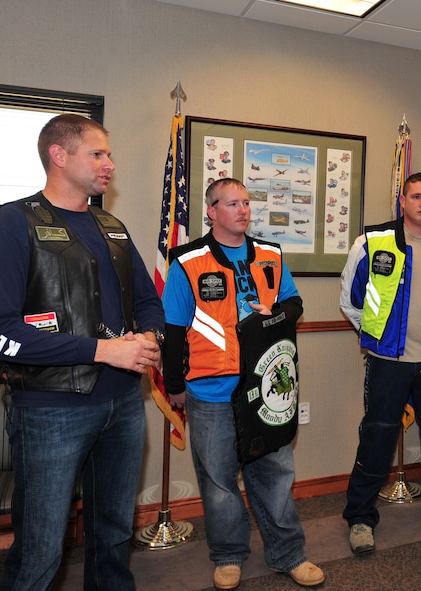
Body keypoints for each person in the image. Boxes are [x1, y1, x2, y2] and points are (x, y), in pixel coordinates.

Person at [0, 114, 165, 590]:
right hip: (50, 411)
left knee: (115, 535)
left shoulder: (111, 226)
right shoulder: (13, 223)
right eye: (98, 154)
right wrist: (102, 351)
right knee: (40, 547)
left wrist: (151, 340)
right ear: (59, 155)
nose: (110, 165)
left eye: (109, 154)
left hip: (122, 404)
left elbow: (147, 302)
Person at [160, 178, 324, 590]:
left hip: (267, 387)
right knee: (219, 483)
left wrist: (276, 313)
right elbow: (173, 330)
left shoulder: (270, 254)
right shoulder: (187, 261)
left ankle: (289, 554)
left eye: (247, 203)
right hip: (211, 391)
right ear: (212, 211)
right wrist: (175, 385)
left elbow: (295, 304)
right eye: (232, 203)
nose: (243, 210)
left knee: (276, 474)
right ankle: (229, 556)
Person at [340, 172, 421, 554]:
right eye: (416, 196)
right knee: (378, 438)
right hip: (388, 362)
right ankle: (361, 518)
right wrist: (376, 335)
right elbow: (350, 298)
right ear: (403, 200)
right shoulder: (373, 242)